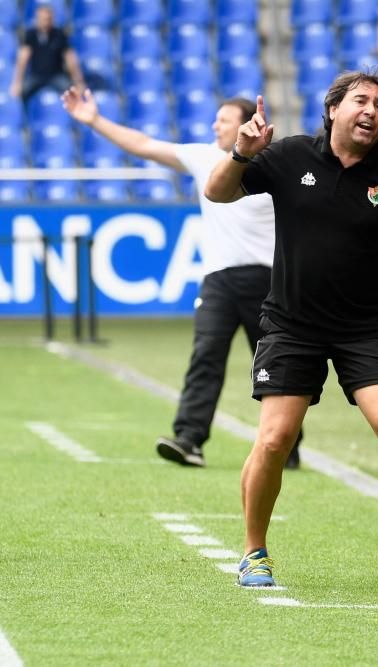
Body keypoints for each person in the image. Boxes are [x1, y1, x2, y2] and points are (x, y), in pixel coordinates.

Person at [203, 71, 378, 595]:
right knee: (274, 438)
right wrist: (242, 152)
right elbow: (216, 192)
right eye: (360, 100)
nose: (371, 110)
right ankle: (253, 552)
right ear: (333, 108)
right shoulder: (288, 156)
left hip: (367, 326)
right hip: (292, 324)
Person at [60, 87, 304, 469]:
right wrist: (94, 120)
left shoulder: (275, 165)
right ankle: (189, 438)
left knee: (274, 365)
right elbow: (142, 144)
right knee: (205, 356)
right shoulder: (204, 157)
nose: (214, 125)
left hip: (268, 282)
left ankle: (288, 443)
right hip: (219, 280)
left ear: (247, 125)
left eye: (222, 120)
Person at [10, 5, 84, 105]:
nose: (45, 22)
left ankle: (70, 117)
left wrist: (78, 81)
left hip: (56, 75)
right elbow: (23, 59)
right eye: (42, 19)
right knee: (20, 93)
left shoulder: (60, 34)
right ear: (37, 19)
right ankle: (27, 118)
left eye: (48, 19)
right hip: (36, 76)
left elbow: (70, 58)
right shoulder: (30, 34)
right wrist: (17, 82)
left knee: (71, 93)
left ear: (52, 18)